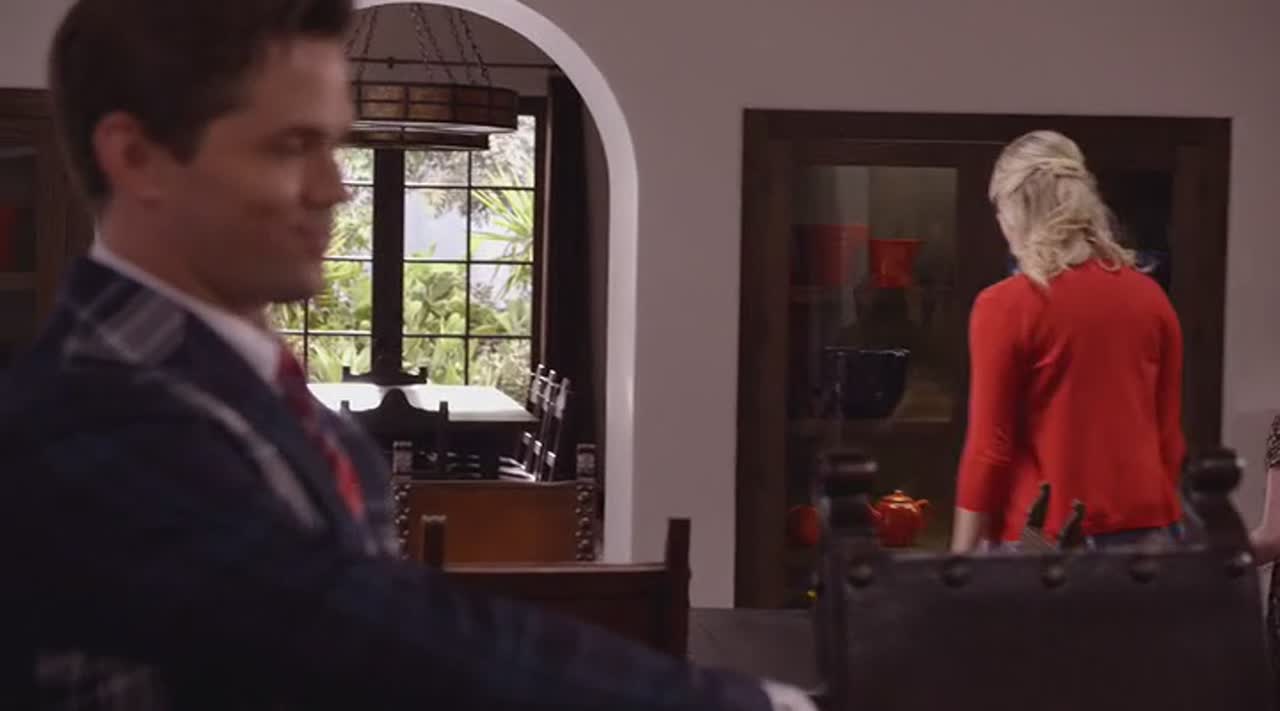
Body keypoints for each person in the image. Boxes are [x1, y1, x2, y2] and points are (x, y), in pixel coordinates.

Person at [0, 1, 815, 709]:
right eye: (290, 146)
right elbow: (375, 639)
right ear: (136, 157)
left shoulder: (233, 381)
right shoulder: (92, 414)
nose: (336, 186)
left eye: (333, 143)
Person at [950, 130, 1186, 552]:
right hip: (1148, 534)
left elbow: (989, 449)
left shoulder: (1006, 306)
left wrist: (958, 562)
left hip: (1044, 539)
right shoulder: (1151, 300)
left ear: (1016, 211)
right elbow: (1169, 439)